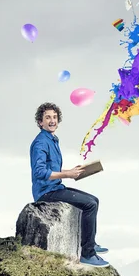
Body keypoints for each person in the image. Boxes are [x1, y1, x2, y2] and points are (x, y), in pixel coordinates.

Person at [29, 102, 110, 267]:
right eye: (47, 118)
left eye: (54, 117)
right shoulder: (41, 143)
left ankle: (90, 242)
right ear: (40, 122)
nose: (52, 121)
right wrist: (67, 174)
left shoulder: (51, 139)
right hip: (46, 193)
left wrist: (72, 171)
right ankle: (87, 254)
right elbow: (40, 172)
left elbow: (52, 168)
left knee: (94, 199)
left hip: (55, 187)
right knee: (89, 205)